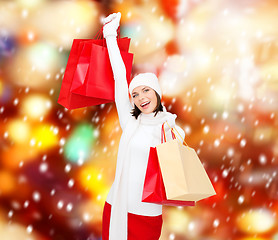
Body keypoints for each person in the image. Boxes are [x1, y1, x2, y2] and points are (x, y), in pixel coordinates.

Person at [101, 12, 186, 240]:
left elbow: (175, 166)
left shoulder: (169, 127)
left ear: (157, 92)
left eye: (146, 90)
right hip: (116, 206)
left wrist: (170, 129)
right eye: (135, 93)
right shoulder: (130, 122)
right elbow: (120, 78)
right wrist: (110, 35)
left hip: (147, 214)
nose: (140, 97)